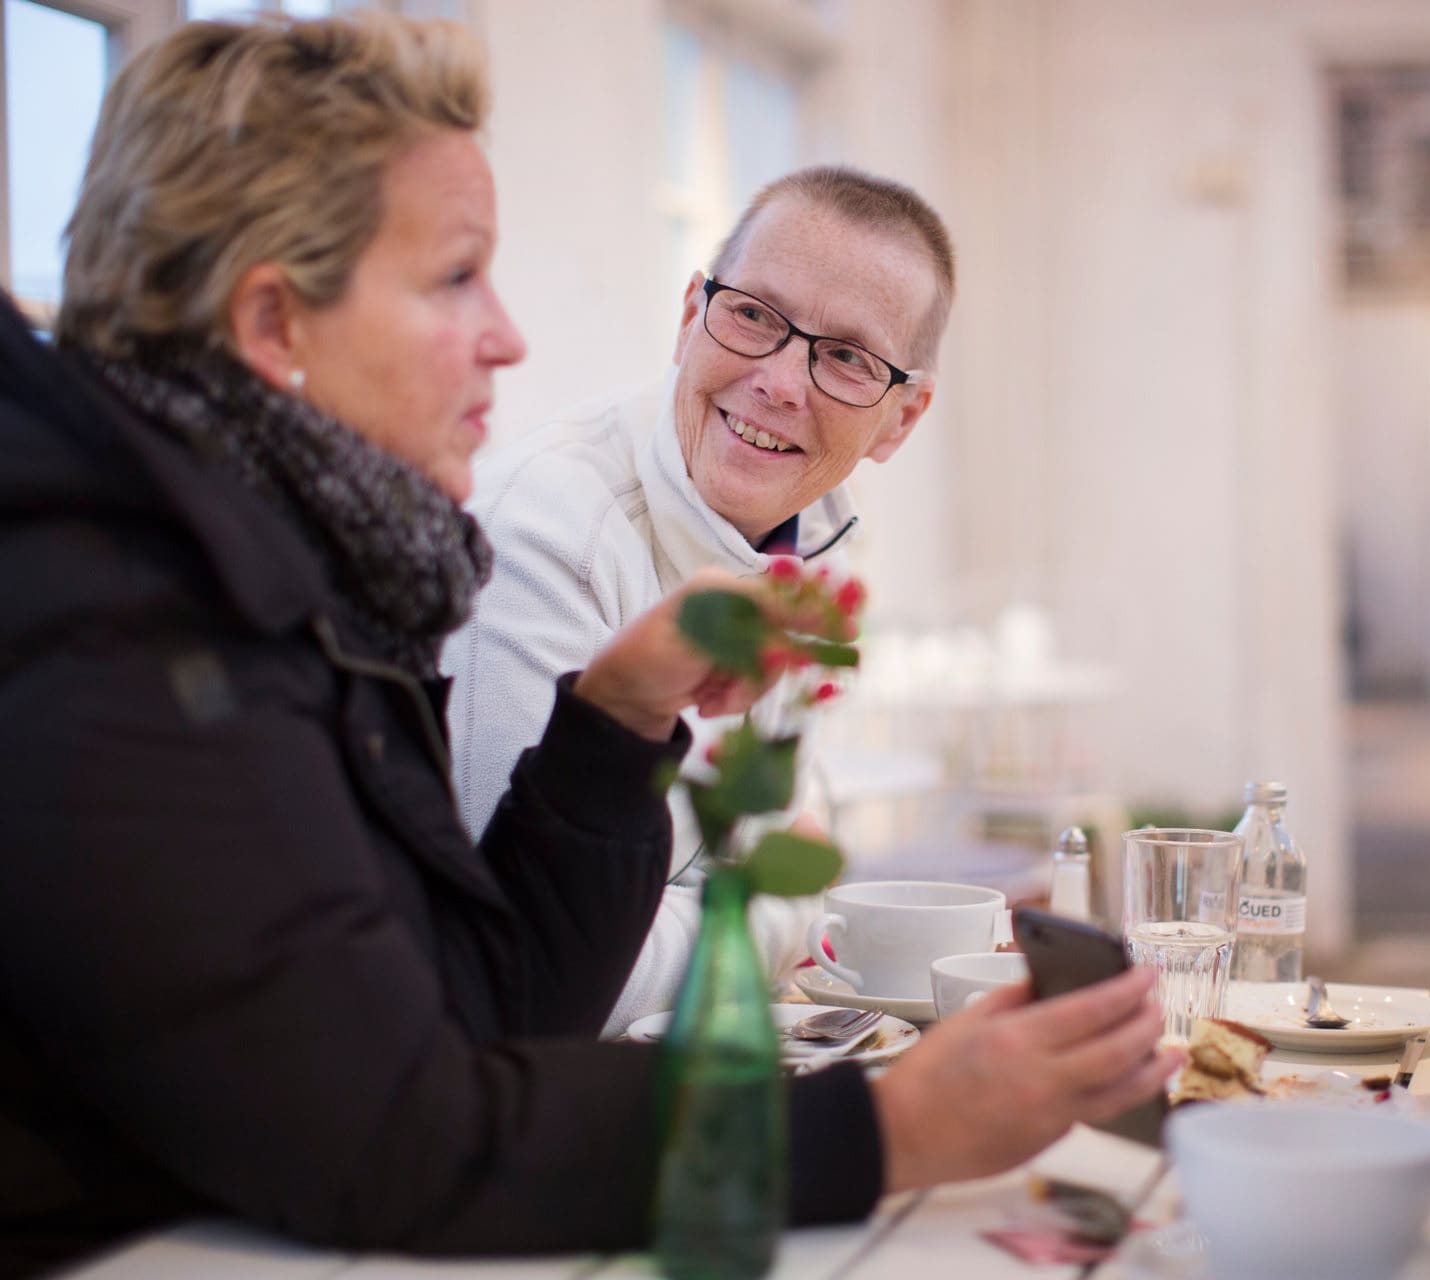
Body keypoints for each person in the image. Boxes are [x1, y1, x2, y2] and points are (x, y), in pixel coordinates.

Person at [0, 16, 1177, 1277]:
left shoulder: (311, 581)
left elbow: (483, 1004)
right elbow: (411, 1131)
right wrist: (887, 1124)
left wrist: (611, 727)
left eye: (843, 357)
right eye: (456, 278)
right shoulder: (123, 627)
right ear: (277, 322)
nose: (508, 336)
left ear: (899, 413)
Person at [444, 165, 948, 1032]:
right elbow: (525, 972)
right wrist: (774, 918)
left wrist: (742, 896)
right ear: (689, 316)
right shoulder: (543, 531)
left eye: (848, 358)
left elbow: (770, 846)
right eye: (753, 314)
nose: (783, 382)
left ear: (900, 420)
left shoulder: (817, 532)